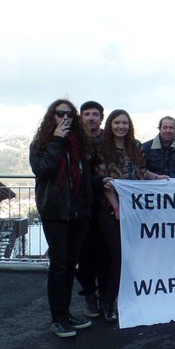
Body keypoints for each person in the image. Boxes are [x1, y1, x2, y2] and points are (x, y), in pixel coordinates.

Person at [29, 99, 95, 338]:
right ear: (52, 116)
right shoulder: (41, 144)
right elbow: (42, 169)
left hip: (78, 214)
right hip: (55, 214)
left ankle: (66, 314)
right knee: (58, 266)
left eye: (70, 114)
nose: (65, 117)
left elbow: (87, 177)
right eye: (60, 113)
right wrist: (57, 139)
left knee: (70, 265)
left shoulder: (81, 145)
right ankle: (57, 318)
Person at [96, 109, 169, 323]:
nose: (121, 126)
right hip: (111, 211)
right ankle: (108, 302)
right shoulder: (101, 148)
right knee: (118, 257)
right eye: (117, 122)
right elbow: (105, 181)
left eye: (125, 123)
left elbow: (140, 172)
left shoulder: (135, 146)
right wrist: (117, 207)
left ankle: (127, 298)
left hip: (135, 211)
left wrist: (156, 178)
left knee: (133, 258)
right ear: (110, 125)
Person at [76, 100, 107, 317]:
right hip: (81, 206)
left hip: (105, 205)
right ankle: (90, 297)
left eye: (94, 114)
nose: (90, 118)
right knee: (84, 256)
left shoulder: (108, 140)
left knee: (106, 255)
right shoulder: (75, 140)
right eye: (86, 114)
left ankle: (106, 297)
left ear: (101, 117)